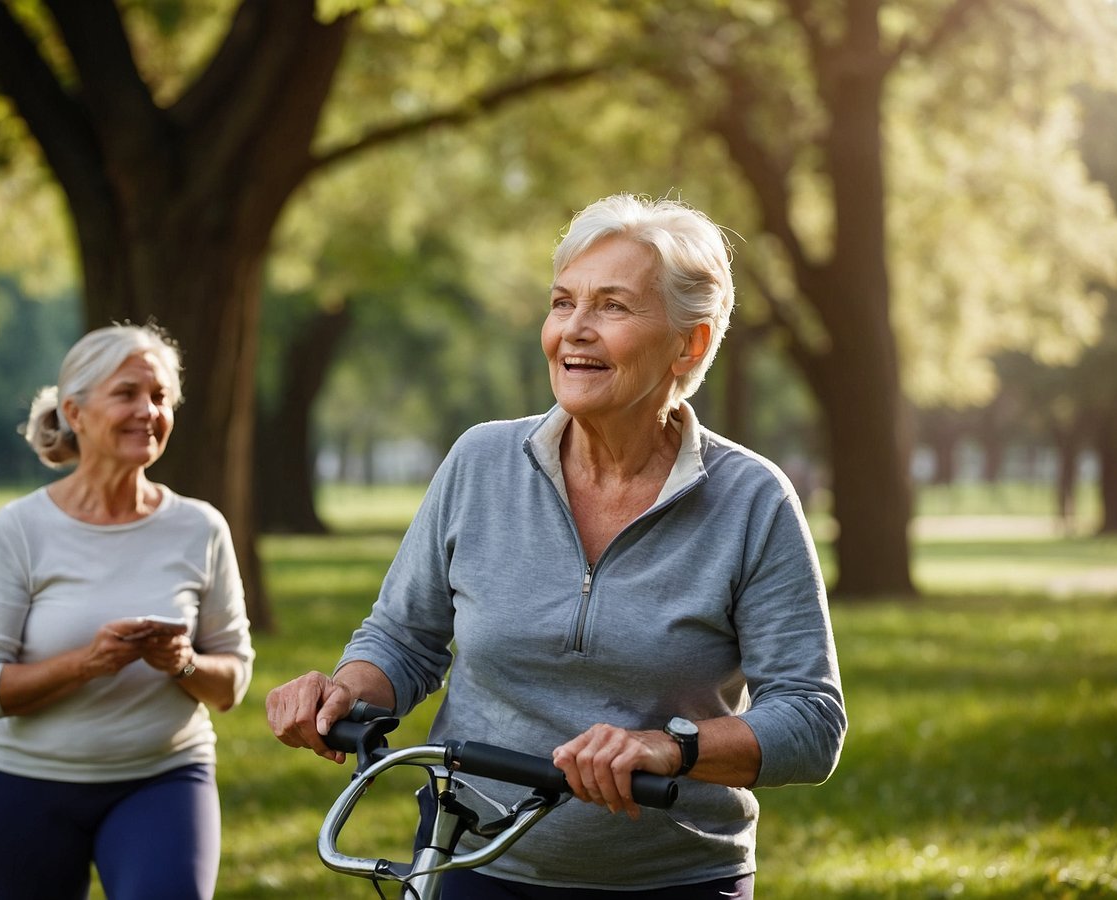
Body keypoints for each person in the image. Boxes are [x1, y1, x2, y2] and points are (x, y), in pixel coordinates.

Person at [266, 194, 846, 898]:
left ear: (688, 343)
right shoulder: (480, 462)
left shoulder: (753, 500)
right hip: (474, 862)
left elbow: (811, 721)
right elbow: (403, 638)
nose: (575, 330)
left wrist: (669, 746)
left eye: (612, 307)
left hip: (677, 879)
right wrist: (343, 691)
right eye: (563, 302)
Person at [0, 322, 255, 900]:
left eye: (161, 396)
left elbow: (232, 684)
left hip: (164, 778)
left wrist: (183, 662)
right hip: (25, 784)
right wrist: (86, 664)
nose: (149, 410)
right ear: (76, 410)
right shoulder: (20, 528)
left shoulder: (200, 527)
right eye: (127, 393)